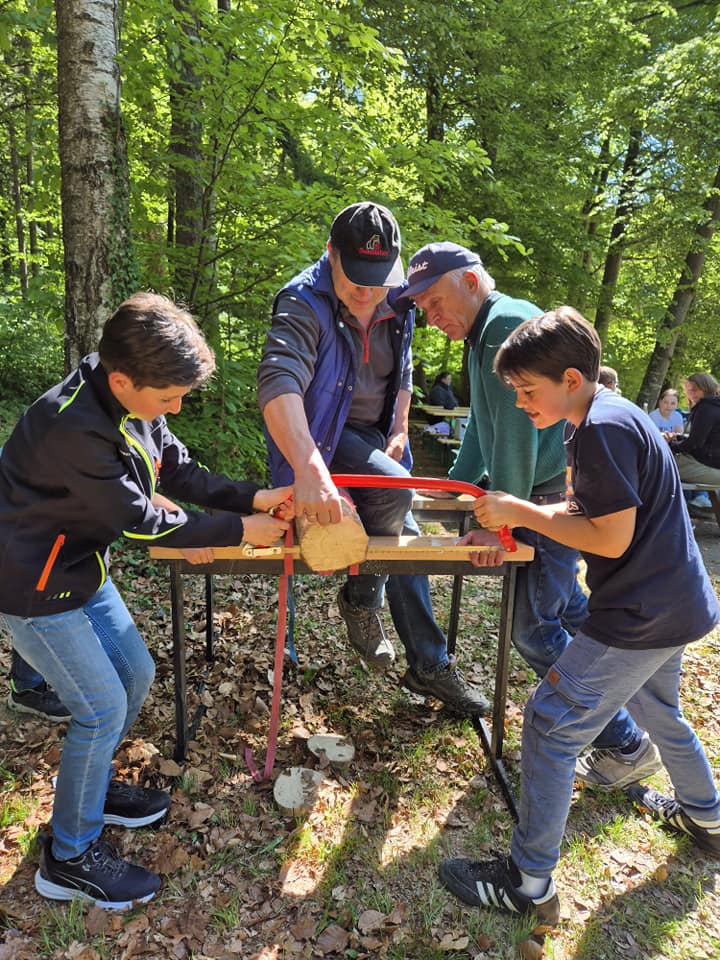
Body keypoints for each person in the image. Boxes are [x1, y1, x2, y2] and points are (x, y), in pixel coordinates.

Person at [0, 292, 293, 908]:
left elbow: (175, 471)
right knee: (101, 709)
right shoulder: (72, 426)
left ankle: (93, 789)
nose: (175, 408)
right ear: (123, 379)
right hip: (29, 583)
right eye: (167, 399)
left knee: (136, 674)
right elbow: (140, 521)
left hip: (78, 566)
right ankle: (70, 856)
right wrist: (241, 531)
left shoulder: (130, 397)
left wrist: (253, 498)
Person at [439, 307, 720, 947]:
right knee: (657, 710)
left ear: (570, 377)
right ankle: (708, 819)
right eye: (512, 390)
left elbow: (612, 536)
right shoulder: (597, 416)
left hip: (638, 617)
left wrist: (519, 513)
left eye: (526, 391)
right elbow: (595, 505)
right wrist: (525, 512)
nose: (517, 402)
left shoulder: (602, 429)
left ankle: (526, 881)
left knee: (548, 724)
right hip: (677, 605)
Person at [403, 242, 660, 788]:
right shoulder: (482, 334)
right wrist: (456, 488)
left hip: (541, 502)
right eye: (422, 308)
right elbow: (483, 426)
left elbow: (518, 435)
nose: (431, 315)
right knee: (567, 610)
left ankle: (627, 742)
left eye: (434, 300)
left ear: (470, 282)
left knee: (533, 633)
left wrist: (497, 521)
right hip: (536, 497)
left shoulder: (504, 326)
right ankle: (632, 715)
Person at [257, 203, 488, 716]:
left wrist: (401, 427)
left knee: (398, 511)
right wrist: (310, 467)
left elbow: (402, 369)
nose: (367, 294)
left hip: (371, 435)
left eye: (378, 282)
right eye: (355, 280)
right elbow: (279, 383)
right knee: (396, 492)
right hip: (317, 434)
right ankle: (391, 629)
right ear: (329, 254)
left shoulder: (400, 300)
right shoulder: (301, 301)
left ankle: (402, 638)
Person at [666, 373, 720, 510]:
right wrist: (679, 439)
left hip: (712, 468)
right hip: (713, 464)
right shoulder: (714, 405)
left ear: (706, 387)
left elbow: (695, 444)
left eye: (695, 389)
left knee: (658, 464)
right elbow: (708, 440)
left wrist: (669, 446)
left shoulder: (706, 408)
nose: (691, 393)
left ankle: (672, 517)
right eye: (688, 390)